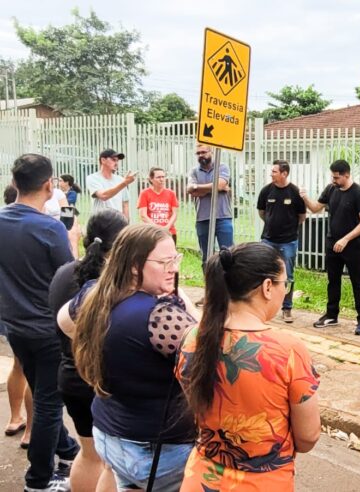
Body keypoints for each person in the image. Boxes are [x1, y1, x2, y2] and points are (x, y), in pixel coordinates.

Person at [57, 224, 199, 491]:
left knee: (122, 481)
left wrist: (109, 347)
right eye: (164, 261)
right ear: (135, 265)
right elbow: (208, 352)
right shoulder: (162, 316)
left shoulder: (94, 294)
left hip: (109, 431)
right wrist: (181, 298)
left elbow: (64, 321)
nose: (174, 268)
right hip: (157, 445)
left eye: (175, 259)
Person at [176, 242, 321, 490]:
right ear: (267, 287)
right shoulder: (287, 350)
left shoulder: (192, 339)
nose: (284, 290)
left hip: (201, 478)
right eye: (284, 283)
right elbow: (307, 437)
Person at [0, 154, 80, 492]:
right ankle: (39, 481)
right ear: (49, 186)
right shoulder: (50, 228)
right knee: (49, 405)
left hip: (14, 326)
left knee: (44, 394)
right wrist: (73, 240)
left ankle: (68, 450)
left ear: (15, 183)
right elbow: (69, 278)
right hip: (49, 330)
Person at [49, 209, 128, 492]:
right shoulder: (111, 285)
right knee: (109, 464)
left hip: (69, 376)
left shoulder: (63, 273)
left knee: (89, 454)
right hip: (98, 384)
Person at [301, 160, 360, 334]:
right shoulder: (331, 189)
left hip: (352, 245)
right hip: (332, 243)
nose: (333, 180)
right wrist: (304, 197)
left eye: (337, 177)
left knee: (357, 281)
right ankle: (332, 315)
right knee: (333, 280)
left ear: (347, 175)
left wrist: (346, 239)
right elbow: (316, 208)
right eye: (332, 176)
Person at [1, 183, 33, 450]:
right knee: (37, 371)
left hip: (9, 311)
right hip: (35, 313)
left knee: (18, 364)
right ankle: (31, 431)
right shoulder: (40, 226)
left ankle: (14, 418)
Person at [257, 160, 306, 323]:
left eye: (274, 171)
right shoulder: (266, 191)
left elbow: (302, 217)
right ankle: (264, 307)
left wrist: (288, 228)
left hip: (288, 242)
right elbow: (261, 212)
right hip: (268, 240)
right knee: (263, 273)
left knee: (288, 276)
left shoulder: (295, 192)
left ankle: (287, 308)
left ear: (284, 173)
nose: (271, 174)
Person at [188, 143, 233, 264]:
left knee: (228, 254)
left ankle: (228, 282)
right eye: (198, 153)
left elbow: (220, 185)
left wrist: (199, 188)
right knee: (206, 257)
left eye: (204, 152)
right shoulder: (194, 171)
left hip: (223, 217)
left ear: (211, 152)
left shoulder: (222, 167)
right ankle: (209, 281)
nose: (201, 155)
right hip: (203, 219)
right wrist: (215, 188)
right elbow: (190, 190)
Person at [86, 149, 135, 217]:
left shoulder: (120, 180)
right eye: (113, 160)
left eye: (117, 161)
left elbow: (125, 204)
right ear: (103, 160)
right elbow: (103, 196)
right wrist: (125, 183)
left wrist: (126, 223)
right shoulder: (93, 178)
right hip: (100, 220)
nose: (116, 163)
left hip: (117, 221)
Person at [138, 166, 180, 242]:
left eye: (163, 177)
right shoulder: (144, 193)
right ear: (151, 179)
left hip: (169, 231)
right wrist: (157, 228)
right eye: (158, 177)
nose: (161, 179)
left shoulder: (171, 194)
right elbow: (143, 215)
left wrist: (167, 227)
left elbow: (175, 214)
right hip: (151, 232)